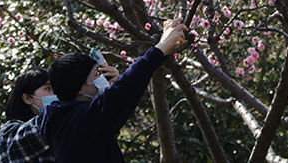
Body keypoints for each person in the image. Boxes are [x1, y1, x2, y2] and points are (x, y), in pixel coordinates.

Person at [41, 17, 188, 162]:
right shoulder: (82, 120)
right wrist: (161, 47)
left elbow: (117, 97)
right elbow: (124, 90)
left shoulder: (61, 116)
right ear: (79, 88)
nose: (101, 78)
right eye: (96, 75)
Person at [0, 67, 57, 162]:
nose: (55, 94)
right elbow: (38, 131)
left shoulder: (57, 126)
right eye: (48, 88)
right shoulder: (8, 133)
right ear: (27, 98)